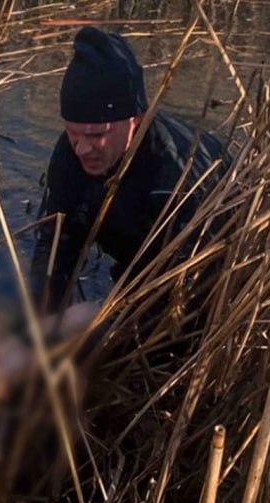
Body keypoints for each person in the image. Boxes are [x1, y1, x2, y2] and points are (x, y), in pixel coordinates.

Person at [31, 26, 231, 312]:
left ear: (135, 120)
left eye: (95, 135)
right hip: (132, 255)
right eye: (73, 133)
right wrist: (43, 315)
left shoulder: (175, 174)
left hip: (202, 276)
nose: (81, 149)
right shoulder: (69, 153)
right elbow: (53, 244)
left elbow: (185, 289)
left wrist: (99, 319)